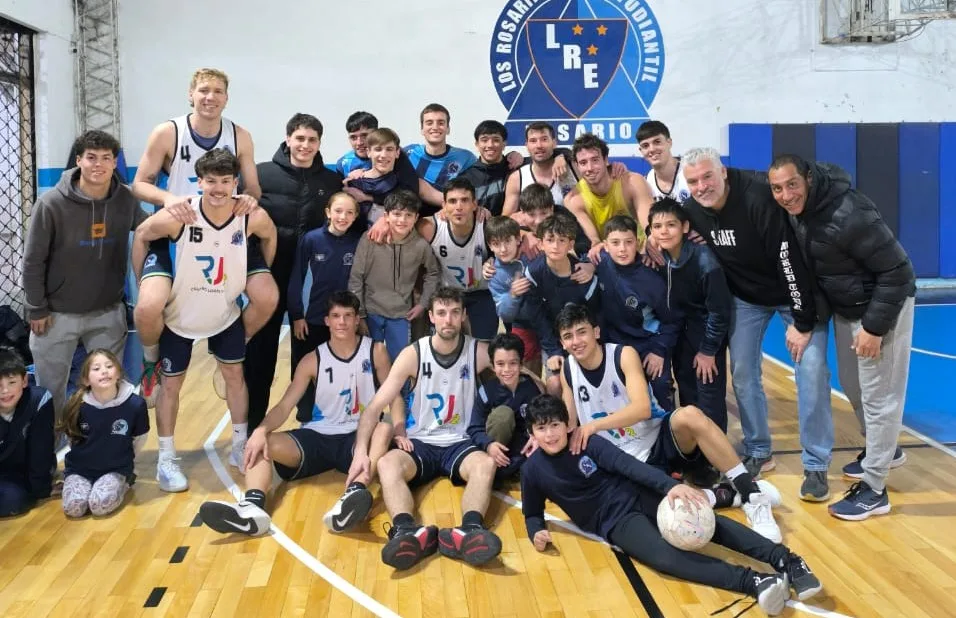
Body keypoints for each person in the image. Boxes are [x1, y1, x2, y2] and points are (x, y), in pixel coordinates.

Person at [520, 395, 823, 616]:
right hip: (615, 522)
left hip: (638, 493)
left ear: (568, 424)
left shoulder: (587, 442)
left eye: (555, 425)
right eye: (541, 429)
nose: (550, 434)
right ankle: (756, 581)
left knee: (705, 520)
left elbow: (628, 466)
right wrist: (536, 531)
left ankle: (787, 560)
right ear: (532, 434)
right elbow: (532, 511)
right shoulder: (532, 470)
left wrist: (671, 486)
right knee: (665, 558)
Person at [680, 147, 832, 502]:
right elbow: (663, 224)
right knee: (744, 371)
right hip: (746, 298)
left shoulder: (758, 198)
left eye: (707, 177)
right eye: (693, 181)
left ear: (723, 173)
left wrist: (803, 322)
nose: (702, 186)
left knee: (811, 371)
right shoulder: (693, 211)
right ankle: (758, 450)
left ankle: (816, 463)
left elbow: (789, 262)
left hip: (796, 293)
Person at [555, 304, 782, 541]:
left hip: (657, 442)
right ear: (562, 343)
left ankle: (752, 495)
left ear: (596, 332)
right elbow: (569, 423)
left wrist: (594, 425)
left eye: (582, 332)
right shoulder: (568, 370)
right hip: (621, 459)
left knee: (690, 415)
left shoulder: (622, 355)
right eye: (568, 336)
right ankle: (727, 495)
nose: (576, 341)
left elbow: (642, 408)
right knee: (650, 507)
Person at [768, 154, 915, 519]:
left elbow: (898, 272)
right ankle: (886, 450)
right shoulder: (800, 213)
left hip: (883, 308)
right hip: (850, 308)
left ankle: (875, 489)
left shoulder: (849, 213)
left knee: (879, 397)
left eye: (792, 185)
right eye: (777, 189)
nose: (785, 195)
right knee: (854, 386)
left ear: (808, 179)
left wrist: (874, 328)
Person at [131, 148, 278, 492]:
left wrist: (252, 270)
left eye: (225, 181)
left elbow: (270, 235)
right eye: (211, 181)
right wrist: (143, 280)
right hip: (180, 313)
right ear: (199, 182)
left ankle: (239, 444)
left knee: (235, 376)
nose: (218, 188)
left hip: (223, 312)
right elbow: (141, 235)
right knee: (171, 386)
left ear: (235, 182)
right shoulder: (180, 215)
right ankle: (167, 457)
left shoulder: (249, 215)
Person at [130, 68, 276, 406]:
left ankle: (234, 348)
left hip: (226, 231)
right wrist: (169, 199)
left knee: (266, 297)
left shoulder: (240, 136)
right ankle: (152, 362)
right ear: (191, 94)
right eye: (204, 90)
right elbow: (139, 184)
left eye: (217, 91)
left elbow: (253, 188)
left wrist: (249, 199)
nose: (210, 97)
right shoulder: (168, 132)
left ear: (226, 98)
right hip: (177, 232)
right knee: (148, 307)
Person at [198, 291, 398, 536]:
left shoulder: (375, 351)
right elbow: (284, 406)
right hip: (318, 436)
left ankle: (354, 493)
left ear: (357, 320)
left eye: (348, 316)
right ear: (327, 321)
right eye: (336, 316)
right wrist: (260, 430)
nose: (342, 322)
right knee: (261, 442)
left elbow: (394, 395)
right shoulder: (312, 360)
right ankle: (252, 507)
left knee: (384, 428)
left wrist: (401, 430)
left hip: (358, 438)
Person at [346, 287, 501, 570]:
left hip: (460, 441)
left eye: (454, 312)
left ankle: (469, 530)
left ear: (464, 315)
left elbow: (514, 369)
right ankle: (406, 531)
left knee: (486, 464)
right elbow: (375, 407)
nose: (448, 320)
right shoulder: (413, 354)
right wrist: (360, 453)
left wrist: (543, 385)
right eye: (441, 313)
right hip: (420, 441)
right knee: (387, 464)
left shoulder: (478, 351)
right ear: (431, 317)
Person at [23, 130, 146, 421]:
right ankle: (50, 448)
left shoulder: (125, 200)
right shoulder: (51, 203)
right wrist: (36, 307)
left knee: (108, 389)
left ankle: (102, 445)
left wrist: (185, 211)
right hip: (55, 315)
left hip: (107, 312)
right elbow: (33, 261)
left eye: (106, 158)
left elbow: (148, 229)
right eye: (91, 157)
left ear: (115, 163)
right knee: (50, 392)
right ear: (79, 161)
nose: (98, 164)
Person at [243, 113, 343, 432]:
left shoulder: (331, 181)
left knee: (308, 355)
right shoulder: (261, 175)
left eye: (312, 139)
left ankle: (308, 424)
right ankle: (251, 427)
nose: (305, 145)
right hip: (268, 277)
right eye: (299, 138)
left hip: (310, 283)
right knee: (259, 357)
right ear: (288, 139)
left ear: (319, 143)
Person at [648, 198, 732, 431]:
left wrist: (708, 350)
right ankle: (693, 451)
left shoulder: (704, 260)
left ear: (685, 227)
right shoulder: (659, 258)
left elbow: (719, 311)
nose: (664, 231)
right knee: (687, 396)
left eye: (671, 225)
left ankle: (715, 453)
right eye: (657, 226)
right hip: (679, 335)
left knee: (709, 399)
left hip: (705, 335)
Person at [288, 193, 363, 421]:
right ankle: (306, 415)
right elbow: (297, 278)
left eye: (349, 212)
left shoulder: (358, 242)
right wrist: (297, 315)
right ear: (328, 212)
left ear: (355, 216)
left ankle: (340, 414)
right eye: (338, 211)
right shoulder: (311, 240)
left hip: (343, 322)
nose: (343, 217)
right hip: (311, 319)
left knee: (342, 369)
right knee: (305, 367)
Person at [595, 215, 682, 411]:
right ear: (605, 246)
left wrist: (659, 351)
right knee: (616, 394)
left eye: (628, 242)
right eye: (615, 243)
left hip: (648, 343)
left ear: (639, 243)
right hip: (615, 344)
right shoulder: (600, 263)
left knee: (660, 386)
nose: (622, 249)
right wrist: (587, 265)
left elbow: (673, 320)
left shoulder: (651, 278)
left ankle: (669, 425)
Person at [348, 189, 441, 361]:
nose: (402, 220)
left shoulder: (421, 246)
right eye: (397, 214)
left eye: (408, 215)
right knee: (369, 362)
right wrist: (359, 314)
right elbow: (356, 278)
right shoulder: (369, 239)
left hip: (400, 315)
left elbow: (433, 273)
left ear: (416, 218)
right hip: (370, 312)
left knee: (399, 362)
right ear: (386, 216)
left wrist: (423, 304)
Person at [59, 349, 149, 518]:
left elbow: (139, 439)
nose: (104, 371)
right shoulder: (76, 405)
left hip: (116, 469)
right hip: (80, 469)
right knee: (74, 508)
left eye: (109, 366)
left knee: (99, 506)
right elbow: (71, 438)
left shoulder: (135, 405)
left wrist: (123, 460)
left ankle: (125, 482)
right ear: (86, 380)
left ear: (118, 373)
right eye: (96, 368)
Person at [522, 213, 599, 394]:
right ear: (541, 244)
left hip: (584, 339)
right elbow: (538, 318)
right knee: (555, 384)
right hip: (554, 339)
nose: (555, 246)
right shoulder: (533, 274)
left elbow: (596, 317)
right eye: (550, 240)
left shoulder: (583, 275)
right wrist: (553, 351)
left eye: (562, 240)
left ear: (570, 244)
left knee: (588, 380)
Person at [416, 178, 498, 340]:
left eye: (464, 200)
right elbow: (400, 228)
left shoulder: (488, 225)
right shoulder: (429, 227)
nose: (458, 207)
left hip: (481, 293)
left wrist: (494, 260)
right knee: (445, 344)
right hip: (446, 294)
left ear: (475, 204)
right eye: (452, 201)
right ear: (444, 205)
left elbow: (514, 236)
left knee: (484, 346)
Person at [563, 133, 653, 260]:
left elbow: (650, 226)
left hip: (642, 253)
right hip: (607, 255)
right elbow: (593, 240)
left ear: (605, 160)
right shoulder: (573, 200)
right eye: (583, 163)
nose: (589, 168)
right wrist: (597, 247)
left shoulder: (632, 182)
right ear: (577, 166)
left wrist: (650, 245)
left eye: (595, 160)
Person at [468, 333, 544, 482]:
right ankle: (493, 469)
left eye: (513, 363)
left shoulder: (532, 388)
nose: (507, 369)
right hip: (497, 448)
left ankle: (518, 469)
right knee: (503, 415)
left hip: (524, 449)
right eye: (500, 364)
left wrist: (536, 436)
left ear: (521, 364)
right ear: (492, 365)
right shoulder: (487, 391)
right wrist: (489, 445)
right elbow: (474, 427)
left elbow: (542, 420)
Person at [0, 348, 55, 517]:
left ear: (24, 380)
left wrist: (42, 488)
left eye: (11, 382)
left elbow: (41, 449)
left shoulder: (38, 400)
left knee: (14, 500)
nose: (5, 391)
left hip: (23, 472)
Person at [485, 216, 542, 373]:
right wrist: (512, 295)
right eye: (496, 244)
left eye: (507, 241)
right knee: (526, 371)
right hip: (522, 324)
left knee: (557, 368)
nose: (503, 249)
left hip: (549, 319)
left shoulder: (532, 251)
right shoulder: (494, 274)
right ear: (490, 246)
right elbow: (505, 315)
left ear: (517, 239)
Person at [403, 103, 479, 216]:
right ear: (422, 129)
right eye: (429, 123)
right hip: (409, 217)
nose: (435, 127)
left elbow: (481, 183)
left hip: (450, 218)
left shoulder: (465, 158)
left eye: (441, 123)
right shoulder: (408, 153)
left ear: (448, 129)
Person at [501, 122, 576, 215]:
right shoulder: (517, 178)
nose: (539, 145)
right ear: (527, 146)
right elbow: (506, 219)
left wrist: (563, 155)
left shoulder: (573, 167)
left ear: (554, 143)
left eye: (544, 139)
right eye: (533, 141)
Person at [343, 128, 405, 225]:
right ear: (368, 152)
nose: (383, 155)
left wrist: (366, 197)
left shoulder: (402, 183)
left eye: (389, 149)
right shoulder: (353, 182)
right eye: (378, 149)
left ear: (397, 153)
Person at [456, 120, 513, 216]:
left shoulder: (516, 170)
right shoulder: (464, 179)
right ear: (477, 145)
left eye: (496, 140)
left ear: (504, 144)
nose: (490, 145)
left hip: (510, 225)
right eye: (484, 140)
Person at [637, 120, 692, 203]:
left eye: (657, 142)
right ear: (641, 151)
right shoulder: (646, 184)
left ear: (669, 142)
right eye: (645, 145)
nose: (652, 149)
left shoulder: (690, 172)